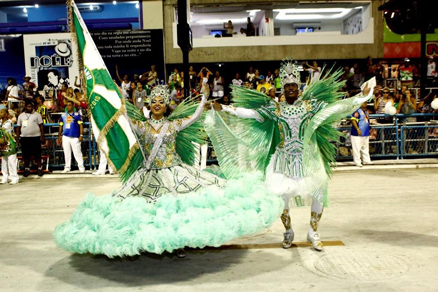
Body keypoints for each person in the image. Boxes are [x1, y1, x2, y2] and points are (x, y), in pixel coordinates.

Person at [54, 85, 282, 258]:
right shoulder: (140, 125)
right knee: (149, 213)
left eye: (161, 102)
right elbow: (123, 115)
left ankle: (175, 244)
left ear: (166, 105)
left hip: (174, 174)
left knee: (175, 212)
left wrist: (204, 97)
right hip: (148, 175)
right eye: (154, 102)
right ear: (149, 105)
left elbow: (194, 117)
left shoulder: (173, 124)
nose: (157, 104)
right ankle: (153, 244)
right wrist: (120, 97)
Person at [207, 59, 374, 251]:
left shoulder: (310, 106)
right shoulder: (275, 109)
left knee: (318, 193)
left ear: (299, 87)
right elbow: (250, 113)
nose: (291, 88)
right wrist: (226, 108)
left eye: (294, 85)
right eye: (287, 86)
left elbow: (336, 108)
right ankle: (288, 231)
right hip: (283, 159)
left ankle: (313, 232)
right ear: (283, 89)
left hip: (308, 158)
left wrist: (360, 98)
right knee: (281, 197)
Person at [16, 99, 46, 177]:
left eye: (31, 107)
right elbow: (18, 127)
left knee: (37, 154)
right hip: (25, 138)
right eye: (28, 106)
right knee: (26, 155)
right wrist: (17, 138)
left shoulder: (37, 115)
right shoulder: (21, 116)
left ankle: (39, 168)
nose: (30, 108)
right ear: (25, 107)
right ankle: (26, 169)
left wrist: (43, 137)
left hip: (35, 137)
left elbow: (41, 126)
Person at [58, 100, 85, 173]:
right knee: (66, 152)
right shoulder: (63, 115)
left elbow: (81, 125)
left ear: (73, 106)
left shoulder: (77, 115)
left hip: (75, 136)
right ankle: (67, 167)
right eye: (67, 105)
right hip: (65, 136)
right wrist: (59, 135)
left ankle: (81, 167)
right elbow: (60, 125)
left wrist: (81, 135)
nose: (68, 107)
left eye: (70, 105)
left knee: (77, 152)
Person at [0, 104, 18, 184]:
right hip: (3, 144)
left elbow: (2, 130)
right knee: (4, 161)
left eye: (1, 112)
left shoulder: (9, 122)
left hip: (10, 144)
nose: (0, 114)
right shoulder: (0, 122)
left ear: (6, 114)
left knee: (11, 161)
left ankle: (14, 177)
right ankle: (4, 177)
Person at [351, 102, 372, 167]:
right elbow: (353, 120)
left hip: (365, 132)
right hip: (357, 133)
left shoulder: (366, 111)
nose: (366, 104)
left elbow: (367, 120)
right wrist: (357, 129)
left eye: (366, 102)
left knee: (365, 147)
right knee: (357, 148)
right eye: (364, 103)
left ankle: (366, 160)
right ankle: (357, 161)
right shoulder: (357, 111)